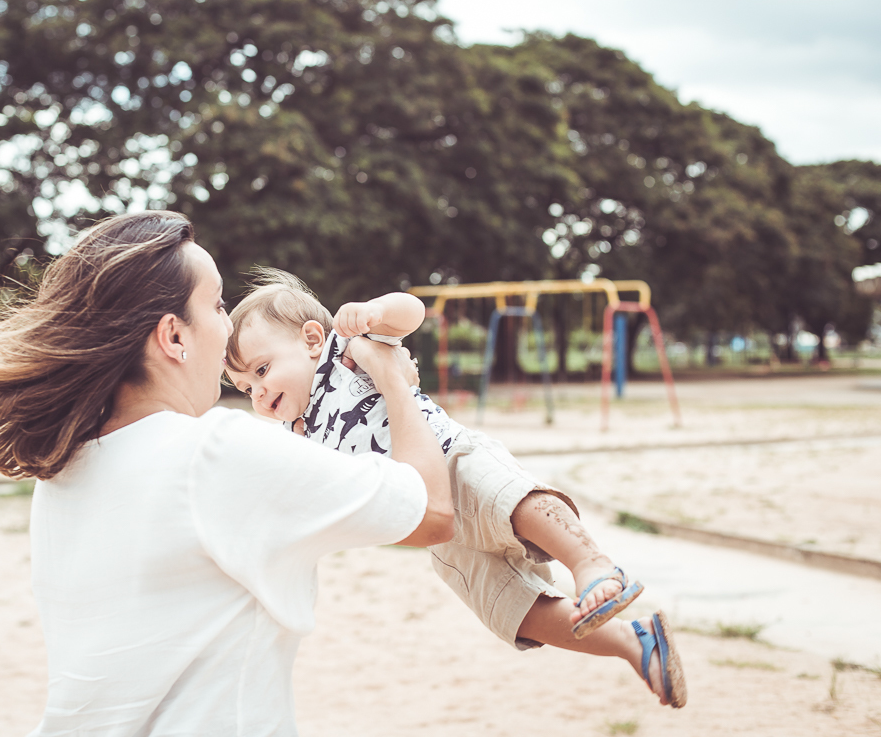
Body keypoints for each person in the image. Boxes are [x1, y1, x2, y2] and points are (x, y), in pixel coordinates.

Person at [0, 212, 454, 736]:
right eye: (219, 304)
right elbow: (432, 512)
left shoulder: (64, 471)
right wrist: (390, 375)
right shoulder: (214, 452)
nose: (228, 327)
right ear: (174, 337)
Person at [223, 269, 687, 709]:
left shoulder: (346, 351)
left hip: (453, 459)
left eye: (262, 371)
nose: (258, 394)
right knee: (510, 609)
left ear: (309, 340)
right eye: (246, 388)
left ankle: (592, 564)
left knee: (509, 498)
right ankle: (634, 641)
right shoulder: (295, 440)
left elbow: (411, 313)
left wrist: (376, 310)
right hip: (434, 526)